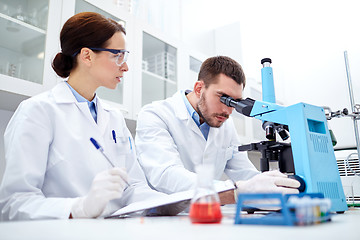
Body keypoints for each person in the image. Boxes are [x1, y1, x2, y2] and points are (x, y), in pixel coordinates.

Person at [0, 12, 184, 221]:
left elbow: (132, 186)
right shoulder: (37, 111)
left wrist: (164, 202)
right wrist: (79, 208)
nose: (125, 66)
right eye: (117, 55)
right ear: (87, 56)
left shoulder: (114, 118)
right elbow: (15, 202)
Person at [135, 56, 300, 204]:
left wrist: (277, 187)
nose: (228, 111)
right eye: (223, 98)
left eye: (235, 102)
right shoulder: (155, 114)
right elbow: (166, 175)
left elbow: (244, 174)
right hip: (162, 219)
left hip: (208, 217)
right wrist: (234, 192)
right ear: (199, 89)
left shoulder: (225, 124)